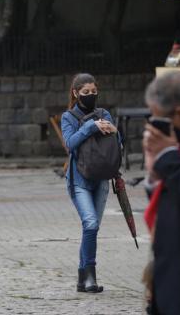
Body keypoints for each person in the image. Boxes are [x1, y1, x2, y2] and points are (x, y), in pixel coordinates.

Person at [143, 71, 180, 315]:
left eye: (158, 120)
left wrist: (166, 158)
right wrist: (154, 172)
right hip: (173, 286)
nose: (153, 128)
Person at [61, 73, 118, 293]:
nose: (91, 96)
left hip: (102, 179)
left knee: (91, 229)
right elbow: (70, 144)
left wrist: (115, 132)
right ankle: (90, 276)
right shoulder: (69, 117)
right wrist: (91, 127)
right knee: (91, 224)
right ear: (76, 94)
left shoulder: (105, 114)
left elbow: (115, 145)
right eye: (86, 93)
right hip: (79, 181)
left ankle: (82, 278)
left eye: (94, 92)